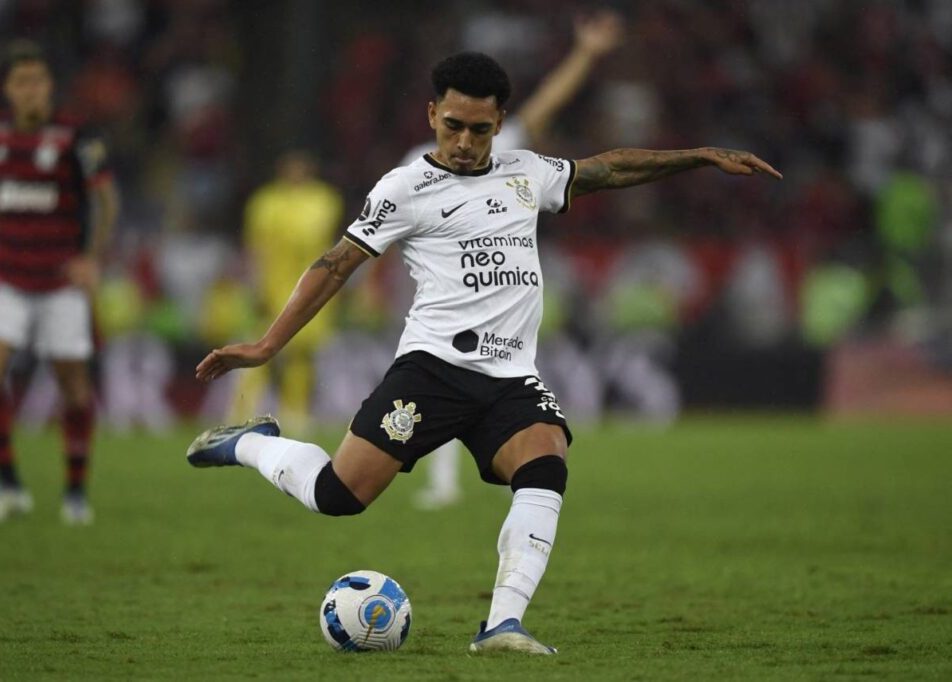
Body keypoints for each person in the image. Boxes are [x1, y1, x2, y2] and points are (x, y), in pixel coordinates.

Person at [187, 52, 780, 653]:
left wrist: (700, 156)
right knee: (339, 497)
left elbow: (607, 170)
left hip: (510, 377)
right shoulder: (404, 189)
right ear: (431, 115)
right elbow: (335, 263)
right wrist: (266, 346)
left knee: (546, 463)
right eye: (452, 125)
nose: (465, 141)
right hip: (432, 371)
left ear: (501, 121)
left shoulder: (527, 172)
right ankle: (251, 442)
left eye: (479, 128)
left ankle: (501, 624)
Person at [404, 10, 625, 510]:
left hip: (501, 293)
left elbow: (544, 107)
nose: (466, 139)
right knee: (441, 374)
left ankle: (457, 476)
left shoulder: (501, 154)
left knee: (482, 377)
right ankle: (442, 478)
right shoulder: (411, 168)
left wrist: (586, 53)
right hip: (438, 296)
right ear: (434, 112)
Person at [0, 41, 119, 525]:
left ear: (49, 87)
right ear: (9, 89)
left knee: (73, 387)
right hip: (8, 274)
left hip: (60, 282)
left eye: (38, 81)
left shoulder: (76, 136)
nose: (30, 90)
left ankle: (75, 492)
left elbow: (107, 200)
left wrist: (91, 259)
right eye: (21, 82)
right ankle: (9, 485)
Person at [228, 151, 344, 433]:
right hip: (272, 288)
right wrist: (254, 286)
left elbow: (329, 244)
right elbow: (255, 249)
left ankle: (294, 413)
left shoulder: (324, 200)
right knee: (259, 349)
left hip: (313, 289)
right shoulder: (265, 202)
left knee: (302, 354)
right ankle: (240, 411)